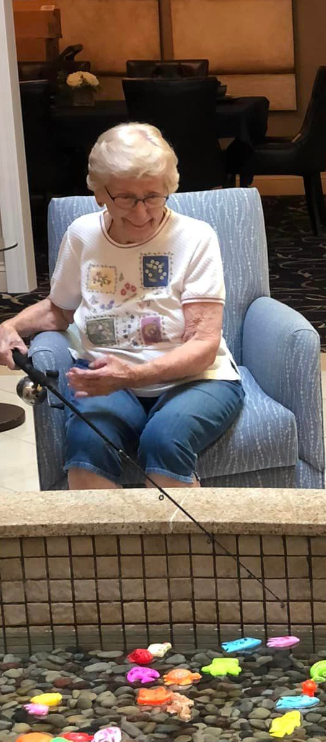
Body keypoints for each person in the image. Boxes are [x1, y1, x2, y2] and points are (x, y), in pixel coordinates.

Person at [0, 123, 244, 490]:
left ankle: (181, 549)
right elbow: (59, 311)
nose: (142, 213)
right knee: (87, 441)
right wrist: (11, 327)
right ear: (100, 193)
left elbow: (203, 345)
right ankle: (107, 547)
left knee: (165, 439)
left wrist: (131, 375)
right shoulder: (83, 234)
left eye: (154, 196)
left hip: (196, 381)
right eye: (126, 199)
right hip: (106, 379)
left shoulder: (195, 237)